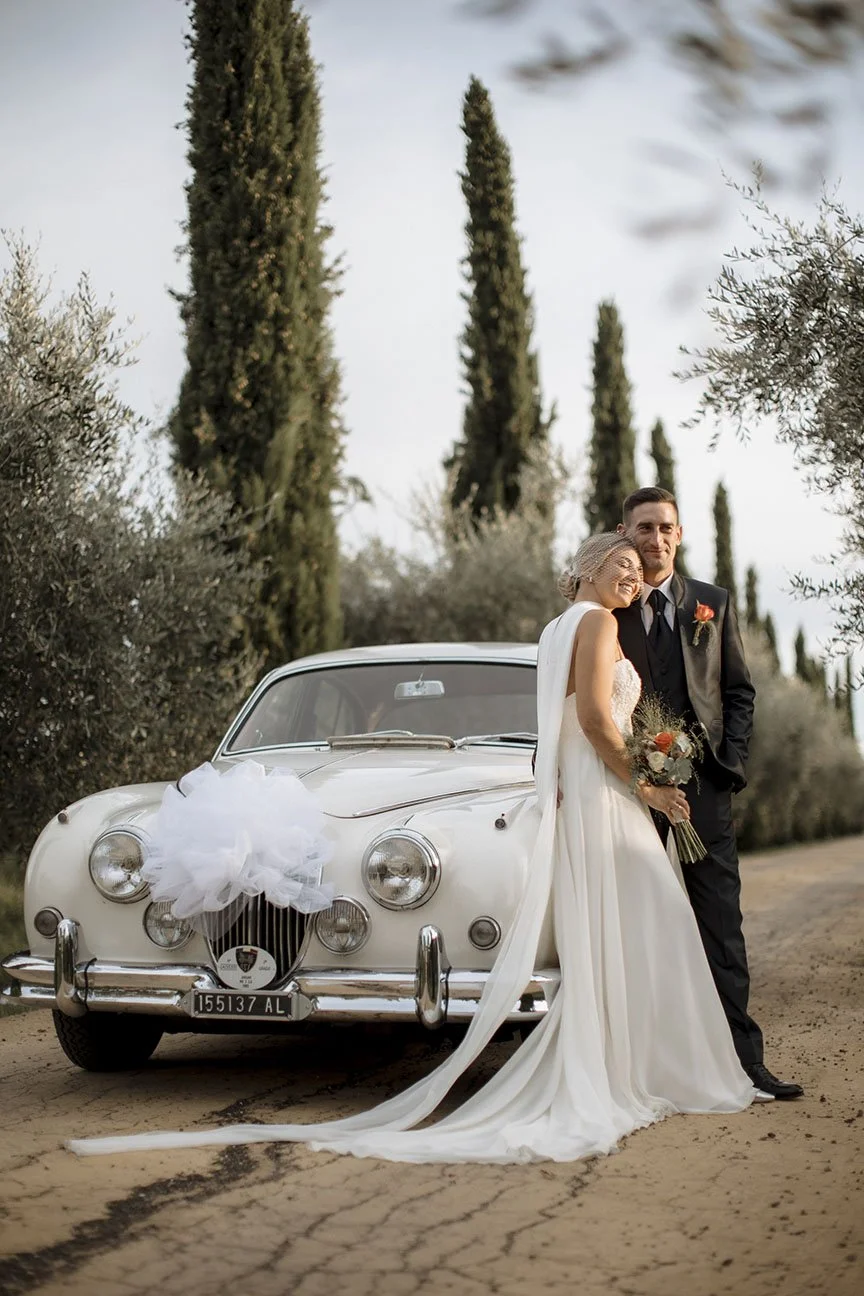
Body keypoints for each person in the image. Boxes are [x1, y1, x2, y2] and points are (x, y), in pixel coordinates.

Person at [69, 533, 757, 1162]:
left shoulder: (562, 628)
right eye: (622, 566)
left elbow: (577, 722)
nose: (633, 578)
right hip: (598, 782)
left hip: (572, 781)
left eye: (640, 571)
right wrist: (647, 783)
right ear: (587, 568)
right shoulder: (595, 623)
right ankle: (651, 1059)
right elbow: (592, 721)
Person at [616, 486, 803, 1101]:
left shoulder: (712, 604)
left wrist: (732, 765)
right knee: (632, 924)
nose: (656, 539)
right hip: (632, 790)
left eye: (666, 527)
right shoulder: (607, 613)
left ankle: (747, 1066)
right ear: (626, 533)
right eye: (644, 527)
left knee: (721, 925)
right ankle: (636, 1067)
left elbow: (739, 691)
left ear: (681, 532)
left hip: (704, 789)